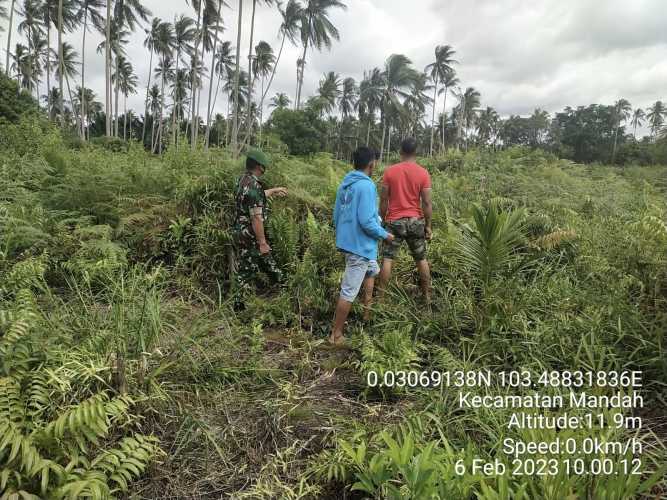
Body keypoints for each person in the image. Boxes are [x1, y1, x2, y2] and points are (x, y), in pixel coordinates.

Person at [330, 146, 394, 345]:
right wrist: (385, 235)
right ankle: (336, 336)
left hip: (351, 244)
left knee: (372, 270)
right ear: (371, 163)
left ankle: (367, 313)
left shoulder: (345, 185)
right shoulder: (366, 186)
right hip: (360, 247)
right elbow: (366, 221)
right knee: (349, 290)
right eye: (375, 161)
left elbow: (336, 216)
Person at [377, 137, 433, 304]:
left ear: (400, 151)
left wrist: (382, 220)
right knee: (421, 259)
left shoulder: (390, 171)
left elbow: (384, 200)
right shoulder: (423, 173)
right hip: (416, 221)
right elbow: (427, 203)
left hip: (394, 222)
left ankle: (380, 299)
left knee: (388, 259)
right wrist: (428, 226)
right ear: (416, 153)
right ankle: (427, 296)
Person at [233, 148, 288, 306]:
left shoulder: (242, 180)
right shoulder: (254, 186)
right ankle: (238, 308)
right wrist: (262, 242)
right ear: (259, 167)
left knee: (267, 262)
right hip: (251, 236)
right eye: (264, 166)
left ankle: (285, 286)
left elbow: (253, 196)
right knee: (245, 272)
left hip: (241, 232)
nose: (265, 169)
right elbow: (256, 217)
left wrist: (273, 190)